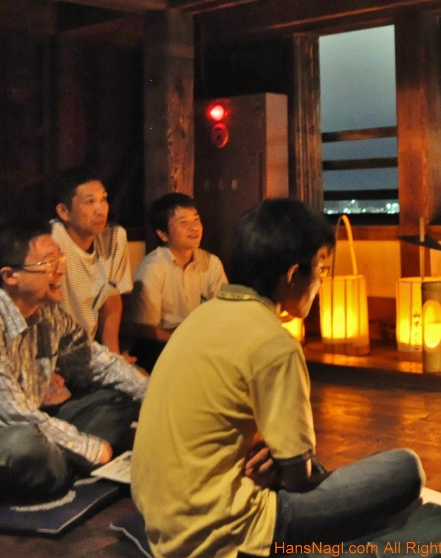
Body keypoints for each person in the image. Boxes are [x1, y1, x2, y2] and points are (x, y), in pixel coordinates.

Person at [131, 199, 424, 558]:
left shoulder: (200, 318)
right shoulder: (275, 344)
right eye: (321, 269)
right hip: (221, 528)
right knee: (405, 469)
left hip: (158, 514)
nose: (321, 282)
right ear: (293, 274)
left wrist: (271, 454)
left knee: (306, 464)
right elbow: (298, 479)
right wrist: (285, 466)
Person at [0, 214, 147, 505]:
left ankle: (54, 467)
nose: (61, 269)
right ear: (10, 276)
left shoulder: (46, 308)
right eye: (49, 262)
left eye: (60, 258)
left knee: (123, 391)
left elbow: (94, 359)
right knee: (26, 445)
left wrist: (153, 395)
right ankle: (55, 467)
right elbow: (14, 415)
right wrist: (90, 448)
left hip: (28, 423)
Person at [130, 192, 227, 372]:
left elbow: (222, 312)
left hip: (200, 340)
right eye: (183, 223)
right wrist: (186, 342)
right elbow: (145, 328)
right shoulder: (152, 268)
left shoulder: (211, 263)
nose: (194, 228)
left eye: (196, 220)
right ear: (163, 234)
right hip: (162, 343)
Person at [50, 167, 133, 356]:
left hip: (88, 350)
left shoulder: (115, 238)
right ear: (63, 211)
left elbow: (111, 300)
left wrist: (113, 357)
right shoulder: (52, 241)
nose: (100, 210)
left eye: (103, 199)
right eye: (90, 202)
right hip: (54, 352)